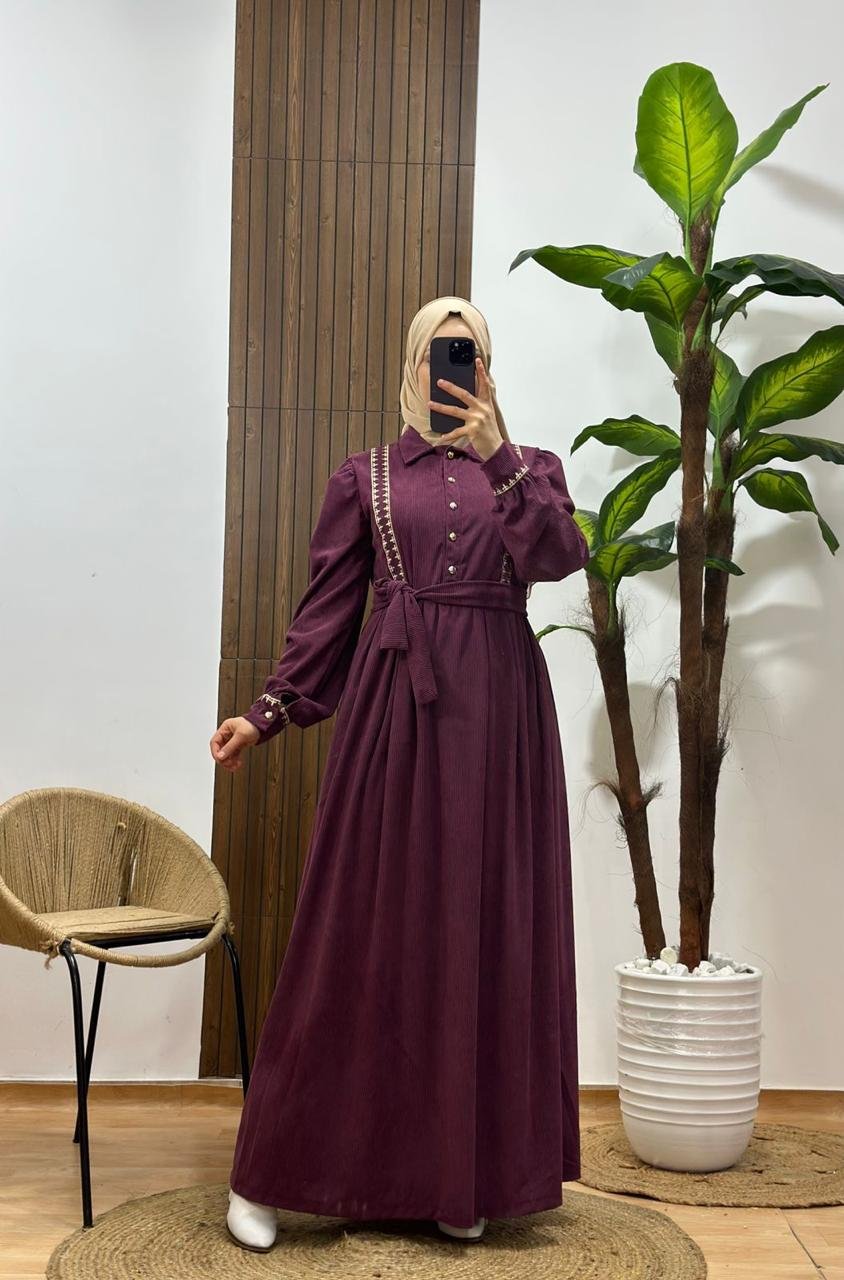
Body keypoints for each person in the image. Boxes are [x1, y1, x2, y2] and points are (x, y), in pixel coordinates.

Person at [210, 295, 589, 1252]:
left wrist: (499, 453)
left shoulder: (532, 470)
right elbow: (328, 611)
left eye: (472, 353)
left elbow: (558, 558)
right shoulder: (366, 476)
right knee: (354, 939)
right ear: (412, 365)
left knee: (480, 938)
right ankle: (268, 1175)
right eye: (438, 352)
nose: (453, 369)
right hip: (394, 721)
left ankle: (458, 1181)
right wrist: (266, 713)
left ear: (488, 370)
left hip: (500, 727)